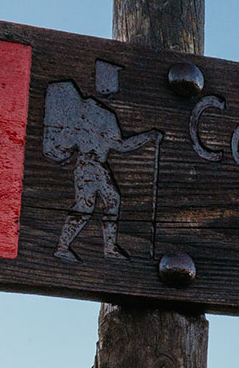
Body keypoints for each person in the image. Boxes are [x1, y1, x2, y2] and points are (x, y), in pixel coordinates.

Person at [42, 66, 160, 261]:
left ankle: (106, 248)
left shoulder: (88, 114)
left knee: (107, 201)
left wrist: (148, 137)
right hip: (89, 166)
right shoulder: (101, 117)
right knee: (87, 206)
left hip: (96, 167)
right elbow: (121, 145)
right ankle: (64, 247)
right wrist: (148, 137)